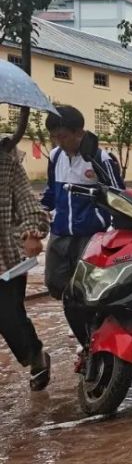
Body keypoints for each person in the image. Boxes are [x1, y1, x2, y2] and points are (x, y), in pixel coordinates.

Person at [41, 105, 124, 301]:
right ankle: (72, 316)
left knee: (88, 286)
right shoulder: (55, 156)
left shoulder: (100, 158)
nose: (58, 142)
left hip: (90, 235)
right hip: (60, 232)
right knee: (55, 282)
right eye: (54, 137)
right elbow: (52, 189)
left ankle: (89, 326)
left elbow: (118, 195)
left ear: (79, 133)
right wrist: (42, 209)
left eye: (63, 136)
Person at [1, 148, 51, 391]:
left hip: (6, 259)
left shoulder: (7, 165)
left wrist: (32, 233)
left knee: (9, 316)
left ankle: (35, 356)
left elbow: (30, 206)